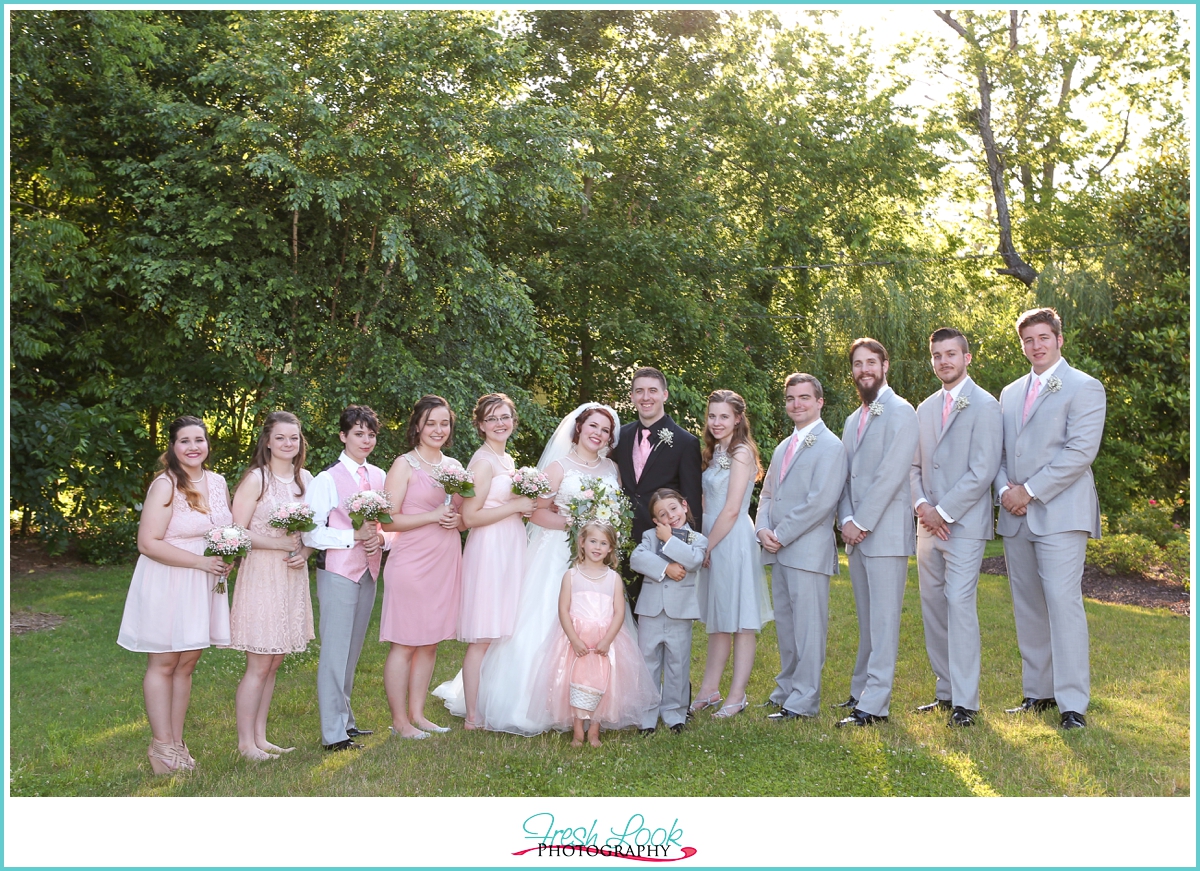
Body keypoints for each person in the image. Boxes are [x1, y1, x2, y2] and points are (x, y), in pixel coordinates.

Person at [433, 402, 627, 736]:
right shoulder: (557, 466)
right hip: (556, 555)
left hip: (596, 560)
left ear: (610, 437)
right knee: (541, 622)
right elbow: (535, 512)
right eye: (592, 426)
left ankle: (585, 700)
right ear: (579, 428)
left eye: (605, 430)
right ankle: (529, 702)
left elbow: (617, 513)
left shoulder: (612, 469)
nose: (597, 434)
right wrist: (573, 524)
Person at [994, 308, 1105, 730]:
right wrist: (1005, 490)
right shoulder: (1008, 393)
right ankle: (1037, 692)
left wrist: (1030, 491)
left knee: (1062, 603)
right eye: (1028, 340)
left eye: (1043, 337)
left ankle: (1072, 703)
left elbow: (1079, 452)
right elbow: (999, 452)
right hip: (1016, 513)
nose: (1035, 346)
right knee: (1027, 605)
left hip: (1061, 512)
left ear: (1060, 339)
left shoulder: (1084, 386)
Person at [117, 415, 233, 774]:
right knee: (164, 663)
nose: (193, 447)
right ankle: (160, 746)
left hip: (202, 583)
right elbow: (148, 543)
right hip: (169, 578)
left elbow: (222, 529)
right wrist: (200, 563)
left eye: (199, 439)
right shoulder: (165, 485)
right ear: (173, 446)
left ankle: (177, 744)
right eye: (185, 441)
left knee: (187, 664)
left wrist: (225, 556)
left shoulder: (217, 482)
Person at [909, 329, 1002, 727]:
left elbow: (983, 470)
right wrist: (922, 506)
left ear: (967, 357)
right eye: (936, 355)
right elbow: (912, 468)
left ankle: (966, 702)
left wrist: (943, 512)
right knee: (933, 607)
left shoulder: (986, 405)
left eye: (951, 354)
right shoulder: (924, 408)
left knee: (960, 606)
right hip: (927, 525)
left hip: (963, 525)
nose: (943, 361)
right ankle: (945, 691)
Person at [837, 338, 919, 728]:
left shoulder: (903, 412)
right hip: (857, 534)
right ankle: (859, 692)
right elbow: (845, 476)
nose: (864, 369)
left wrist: (860, 522)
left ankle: (875, 706)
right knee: (868, 619)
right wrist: (844, 520)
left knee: (884, 621)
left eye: (871, 362)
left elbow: (891, 475)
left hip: (884, 534)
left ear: (886, 365)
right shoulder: (854, 420)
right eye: (857, 363)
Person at [755, 374, 847, 720]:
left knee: (809, 630)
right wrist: (761, 529)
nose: (797, 404)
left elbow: (821, 502)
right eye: (791, 398)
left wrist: (781, 533)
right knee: (788, 627)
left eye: (804, 397)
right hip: (778, 550)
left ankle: (805, 700)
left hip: (806, 551)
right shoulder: (783, 446)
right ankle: (787, 688)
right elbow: (766, 495)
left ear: (819, 402)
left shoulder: (831, 446)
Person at [229, 411, 315, 760]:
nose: (287, 443)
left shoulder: (305, 479)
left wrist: (305, 551)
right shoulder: (256, 479)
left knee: (275, 660)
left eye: (293, 437)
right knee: (259, 662)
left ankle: (261, 737)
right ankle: (245, 743)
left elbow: (313, 529)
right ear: (267, 441)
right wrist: (276, 544)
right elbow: (235, 532)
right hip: (262, 574)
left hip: (292, 576)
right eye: (280, 437)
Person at [302, 405, 389, 752]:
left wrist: (381, 539)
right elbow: (310, 533)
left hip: (369, 571)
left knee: (351, 653)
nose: (365, 440)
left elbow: (390, 527)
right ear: (343, 436)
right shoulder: (327, 479)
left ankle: (346, 721)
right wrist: (351, 538)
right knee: (335, 654)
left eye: (371, 434)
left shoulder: (381, 477)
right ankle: (332, 733)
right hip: (338, 572)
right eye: (358, 433)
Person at [380, 395, 466, 739]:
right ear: (417, 425)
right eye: (431, 423)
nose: (438, 429)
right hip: (411, 563)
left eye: (444, 423)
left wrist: (456, 517)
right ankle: (400, 721)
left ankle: (418, 714)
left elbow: (462, 519)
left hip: (445, 559)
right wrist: (432, 515)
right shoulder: (404, 465)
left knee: (430, 642)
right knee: (404, 642)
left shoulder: (455, 466)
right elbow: (387, 521)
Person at [531, 522, 660, 746]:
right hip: (577, 637)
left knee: (603, 683)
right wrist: (573, 638)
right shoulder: (571, 576)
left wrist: (608, 639)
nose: (597, 547)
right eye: (593, 541)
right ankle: (578, 730)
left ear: (610, 548)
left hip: (604, 639)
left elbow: (619, 612)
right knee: (576, 680)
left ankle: (595, 729)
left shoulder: (613, 579)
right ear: (582, 542)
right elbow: (563, 609)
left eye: (603, 543)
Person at [691, 389, 772, 719]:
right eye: (712, 416)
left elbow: (732, 508)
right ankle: (710, 689)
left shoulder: (741, 453)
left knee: (741, 620)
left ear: (738, 418)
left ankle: (737, 696)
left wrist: (705, 546)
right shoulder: (713, 452)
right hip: (712, 536)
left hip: (731, 538)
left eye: (724, 416)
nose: (717, 422)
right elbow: (705, 500)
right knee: (719, 618)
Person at [457, 394, 536, 729]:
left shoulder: (507, 459)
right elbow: (469, 516)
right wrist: (516, 507)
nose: (500, 424)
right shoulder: (483, 462)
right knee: (484, 633)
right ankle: (473, 714)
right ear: (480, 425)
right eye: (491, 419)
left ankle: (494, 700)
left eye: (504, 417)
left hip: (511, 545)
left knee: (504, 626)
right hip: (489, 547)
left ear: (513, 421)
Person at [614, 367, 703, 609]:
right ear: (631, 396)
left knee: (658, 616)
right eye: (639, 391)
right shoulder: (620, 436)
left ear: (664, 395)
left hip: (662, 543)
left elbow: (691, 501)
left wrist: (685, 549)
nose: (646, 397)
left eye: (652, 390)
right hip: (622, 540)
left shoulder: (686, 442)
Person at [630, 489, 707, 734]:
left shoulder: (698, 540)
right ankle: (647, 716)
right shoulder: (650, 537)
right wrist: (666, 569)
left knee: (678, 663)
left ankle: (675, 714)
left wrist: (671, 540)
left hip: (680, 612)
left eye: (674, 508)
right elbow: (637, 559)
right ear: (655, 521)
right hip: (651, 611)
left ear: (684, 506)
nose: (670, 516)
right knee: (648, 662)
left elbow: (694, 561)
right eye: (662, 514)